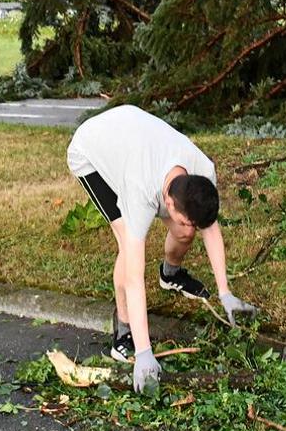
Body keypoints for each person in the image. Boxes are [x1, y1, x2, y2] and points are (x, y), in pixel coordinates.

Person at [65, 105, 256, 392]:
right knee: (126, 247)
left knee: (183, 232)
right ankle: (124, 332)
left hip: (131, 135)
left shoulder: (202, 171)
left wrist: (225, 292)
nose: (191, 229)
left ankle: (170, 275)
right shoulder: (140, 191)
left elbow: (210, 227)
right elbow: (133, 277)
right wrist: (145, 353)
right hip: (91, 151)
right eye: (183, 219)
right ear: (168, 204)